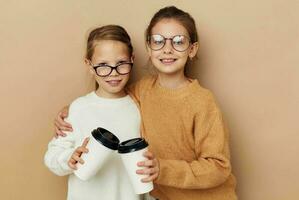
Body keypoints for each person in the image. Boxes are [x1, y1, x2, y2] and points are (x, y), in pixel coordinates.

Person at [55, 6, 237, 200]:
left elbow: (219, 167)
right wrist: (70, 112)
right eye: (159, 41)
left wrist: (162, 169)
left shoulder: (203, 102)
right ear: (149, 48)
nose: (167, 49)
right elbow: (111, 101)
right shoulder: (142, 90)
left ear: (192, 49)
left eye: (178, 41)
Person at [44, 25, 159, 200]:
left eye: (121, 64)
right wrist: (70, 158)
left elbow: (148, 163)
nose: (113, 73)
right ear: (89, 65)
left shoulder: (140, 106)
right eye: (103, 65)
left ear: (132, 59)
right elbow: (51, 157)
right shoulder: (79, 108)